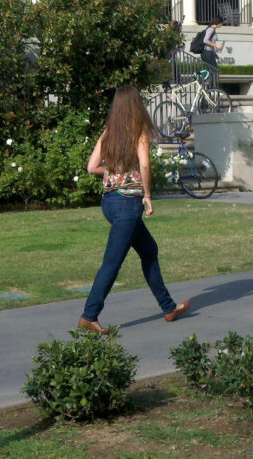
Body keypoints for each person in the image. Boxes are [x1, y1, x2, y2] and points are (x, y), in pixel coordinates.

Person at [78, 86, 190, 334]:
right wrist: (147, 195)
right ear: (135, 105)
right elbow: (146, 165)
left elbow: (91, 167)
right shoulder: (139, 130)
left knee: (149, 250)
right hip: (128, 204)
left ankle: (169, 307)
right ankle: (89, 315)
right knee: (112, 262)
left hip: (109, 203)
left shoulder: (109, 131)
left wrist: (114, 172)